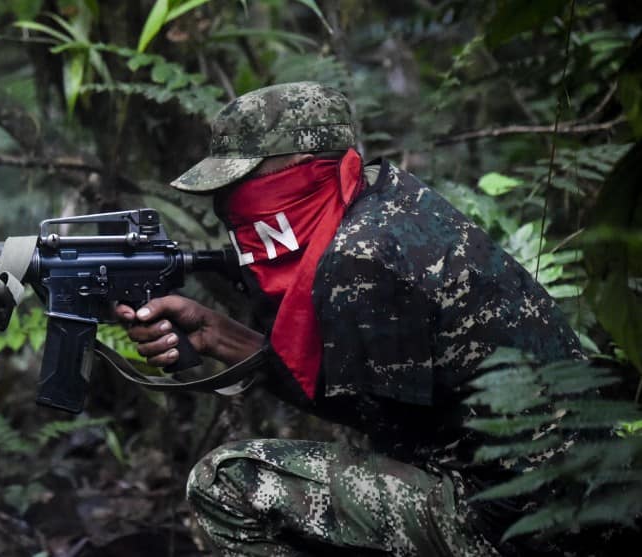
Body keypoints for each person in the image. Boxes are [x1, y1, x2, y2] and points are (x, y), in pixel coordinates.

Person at [115, 82, 583, 556]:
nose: (232, 201)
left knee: (228, 483)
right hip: (569, 490)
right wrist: (218, 335)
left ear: (302, 166)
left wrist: (236, 346)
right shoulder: (385, 197)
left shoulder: (360, 258)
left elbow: (388, 433)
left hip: (522, 523)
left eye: (244, 180)